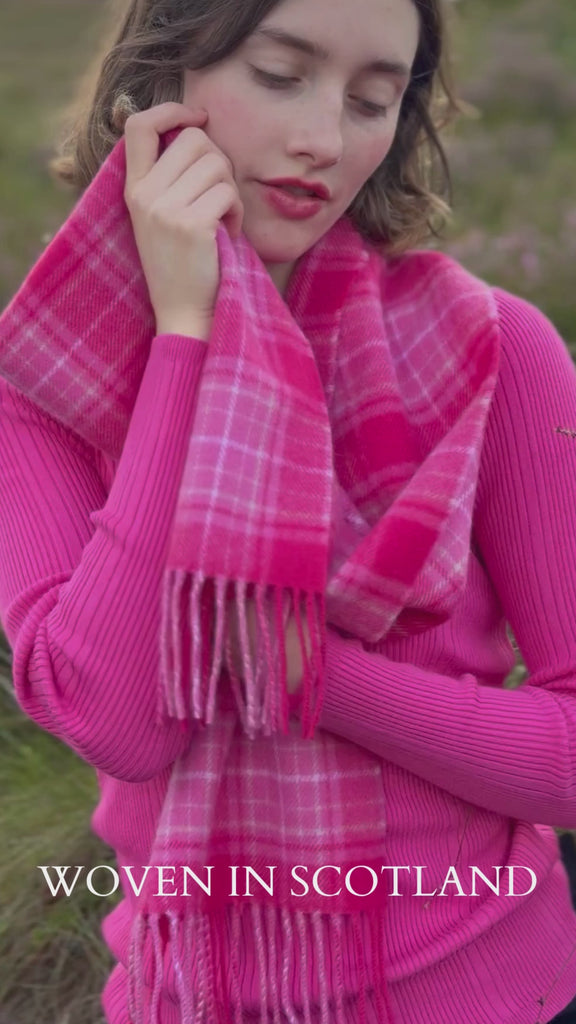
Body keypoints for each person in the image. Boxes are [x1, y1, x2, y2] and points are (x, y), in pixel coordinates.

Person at [2, 0, 576, 1021]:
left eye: (372, 101)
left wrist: (312, 674)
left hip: (489, 993)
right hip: (187, 997)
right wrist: (183, 336)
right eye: (279, 75)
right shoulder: (45, 381)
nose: (324, 138)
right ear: (165, 74)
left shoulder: (493, 353)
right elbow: (116, 724)